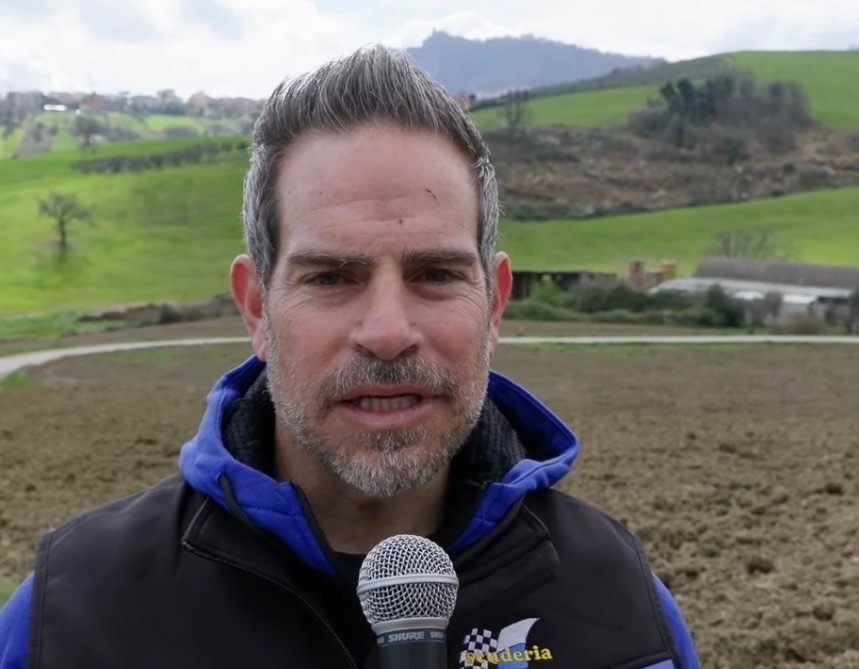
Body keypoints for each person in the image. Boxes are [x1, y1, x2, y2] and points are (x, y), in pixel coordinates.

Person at [0, 46, 699, 669]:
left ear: (493, 304)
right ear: (256, 308)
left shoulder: (622, 611)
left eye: (435, 274)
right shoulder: (69, 622)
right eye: (331, 277)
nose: (388, 332)